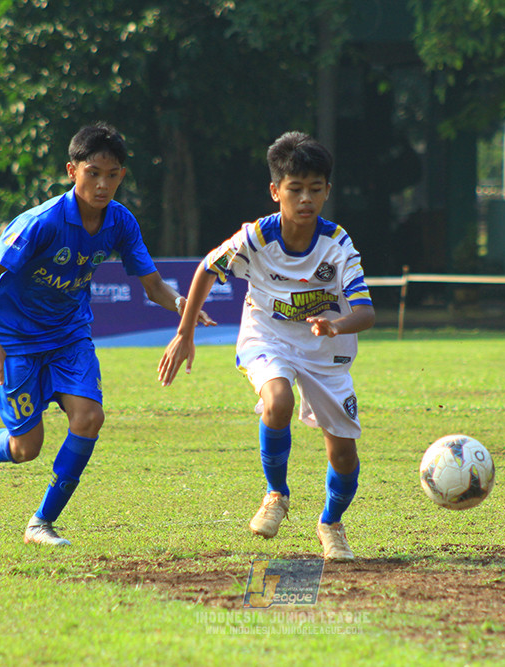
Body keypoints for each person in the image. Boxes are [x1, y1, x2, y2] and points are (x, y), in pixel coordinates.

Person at [0, 122, 213, 546]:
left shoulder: (120, 223)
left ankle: (40, 523)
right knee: (26, 448)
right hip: (17, 339)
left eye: (112, 175)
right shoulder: (42, 221)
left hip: (70, 335)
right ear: (71, 170)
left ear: (122, 177)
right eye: (93, 172)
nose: (102, 184)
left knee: (90, 417)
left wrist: (182, 305)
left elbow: (152, 285)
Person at [158, 131, 375, 561]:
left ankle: (331, 523)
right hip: (268, 336)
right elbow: (206, 269)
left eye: (315, 189)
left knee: (344, 454)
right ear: (276, 192)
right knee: (277, 401)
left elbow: (367, 313)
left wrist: (337, 326)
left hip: (325, 352)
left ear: (327, 191)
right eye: (295, 189)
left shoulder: (338, 244)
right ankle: (276, 494)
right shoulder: (255, 238)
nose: (305, 198)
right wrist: (184, 332)